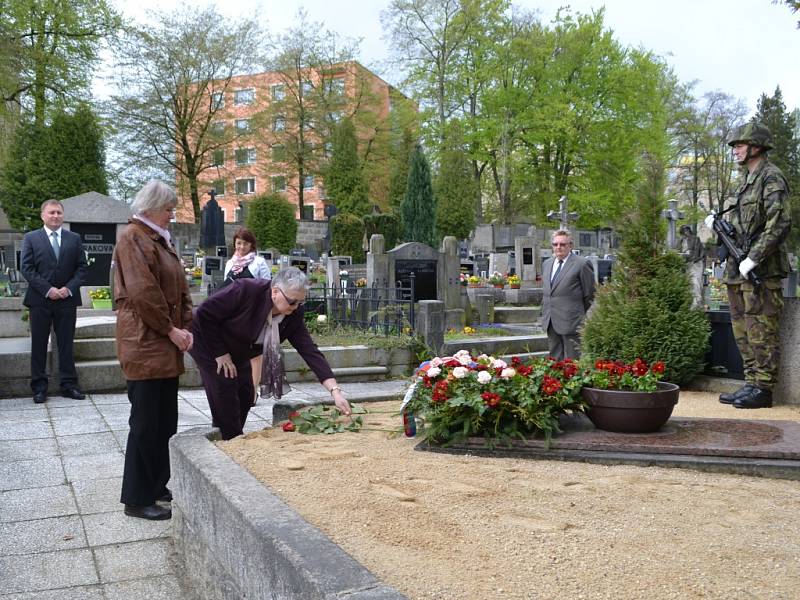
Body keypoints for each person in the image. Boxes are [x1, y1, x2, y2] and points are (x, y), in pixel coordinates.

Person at [189, 267, 351, 440]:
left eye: (300, 303)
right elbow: (204, 313)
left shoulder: (293, 315)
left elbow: (309, 351)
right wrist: (220, 353)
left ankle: (228, 436)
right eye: (292, 301)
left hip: (240, 348)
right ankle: (231, 441)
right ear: (275, 292)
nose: (296, 307)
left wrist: (335, 392)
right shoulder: (245, 290)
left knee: (245, 394)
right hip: (207, 341)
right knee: (224, 388)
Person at [113, 180, 194, 520]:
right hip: (145, 343)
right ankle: (136, 497)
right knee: (145, 423)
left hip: (165, 344)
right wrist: (171, 329)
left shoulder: (160, 240)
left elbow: (180, 287)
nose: (172, 215)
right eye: (168, 209)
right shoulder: (133, 238)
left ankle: (157, 485)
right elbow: (143, 293)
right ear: (150, 208)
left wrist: (187, 324)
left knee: (165, 422)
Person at [707, 123, 791, 409]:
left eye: (740, 145)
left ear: (756, 146)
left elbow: (778, 223)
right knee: (742, 327)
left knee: (761, 328)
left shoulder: (771, 178)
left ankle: (764, 389)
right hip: (737, 268)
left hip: (761, 270)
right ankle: (751, 381)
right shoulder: (747, 180)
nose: (735, 150)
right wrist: (720, 228)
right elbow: (745, 226)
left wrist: (754, 257)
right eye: (734, 146)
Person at [20, 199, 88, 404]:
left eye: (59, 212)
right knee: (39, 344)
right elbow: (27, 268)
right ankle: (39, 388)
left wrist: (68, 289)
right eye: (51, 212)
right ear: (43, 215)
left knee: (66, 345)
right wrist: (48, 290)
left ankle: (69, 385)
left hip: (67, 300)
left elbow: (82, 268)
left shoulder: (74, 238)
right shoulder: (31, 238)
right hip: (40, 300)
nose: (55, 216)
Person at [220, 227, 272, 403]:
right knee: (236, 352)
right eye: (239, 243)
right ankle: (238, 388)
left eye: (245, 243)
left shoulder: (258, 262)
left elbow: (267, 287)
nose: (241, 247)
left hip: (253, 314)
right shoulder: (230, 264)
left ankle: (253, 391)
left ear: (251, 245)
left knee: (255, 355)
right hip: (234, 315)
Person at [541, 229, 596, 360]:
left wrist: (576, 312)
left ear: (570, 246)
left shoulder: (581, 264)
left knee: (572, 361)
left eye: (562, 244)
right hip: (551, 321)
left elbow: (589, 294)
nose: (558, 247)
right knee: (554, 360)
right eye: (555, 244)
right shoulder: (547, 264)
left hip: (572, 321)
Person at [679, 224, 705, 308]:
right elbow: (678, 251)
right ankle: (691, 303)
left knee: (696, 283)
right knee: (688, 284)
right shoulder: (681, 241)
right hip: (686, 265)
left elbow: (701, 253)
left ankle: (697, 303)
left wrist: (696, 259)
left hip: (695, 264)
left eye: (687, 230)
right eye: (684, 231)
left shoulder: (695, 239)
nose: (686, 232)